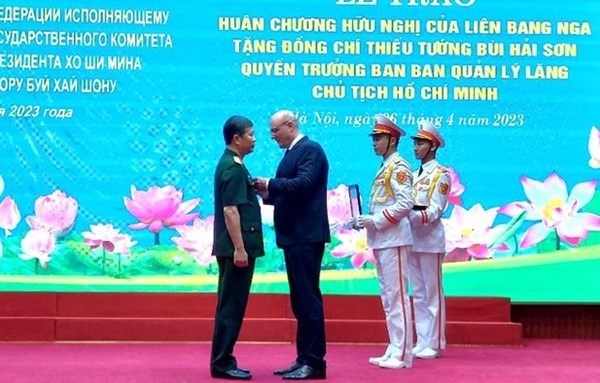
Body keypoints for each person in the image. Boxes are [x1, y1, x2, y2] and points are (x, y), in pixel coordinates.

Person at [254, 110, 329, 380]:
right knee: (300, 301)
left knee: (308, 299)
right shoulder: (292, 153)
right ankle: (303, 357)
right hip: (295, 236)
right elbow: (292, 192)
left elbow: (304, 184)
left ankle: (315, 362)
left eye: (275, 130)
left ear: (290, 125)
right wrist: (267, 192)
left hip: (306, 236)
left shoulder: (311, 150)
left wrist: (271, 184)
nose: (272, 137)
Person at [352, 114, 414, 369]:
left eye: (379, 138)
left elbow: (405, 204)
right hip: (383, 239)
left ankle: (403, 353)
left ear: (392, 139)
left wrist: (374, 219)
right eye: (374, 138)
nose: (374, 143)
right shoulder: (387, 166)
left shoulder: (398, 167)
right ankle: (394, 346)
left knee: (397, 297)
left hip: (394, 239)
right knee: (389, 297)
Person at [210, 115, 264, 380]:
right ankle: (222, 363)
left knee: (230, 304)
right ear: (236, 138)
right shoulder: (232, 167)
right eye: (251, 134)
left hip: (233, 249)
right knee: (231, 306)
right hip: (235, 251)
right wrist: (240, 249)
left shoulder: (236, 165)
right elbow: (231, 211)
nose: (254, 139)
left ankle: (223, 359)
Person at [407, 120, 451, 359]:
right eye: (415, 142)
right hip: (412, 240)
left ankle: (434, 342)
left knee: (433, 292)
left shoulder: (441, 175)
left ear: (432, 146)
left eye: (420, 143)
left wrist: (410, 216)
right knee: (419, 292)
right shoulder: (413, 175)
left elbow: (436, 209)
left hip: (430, 239)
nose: (415, 147)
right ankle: (421, 340)